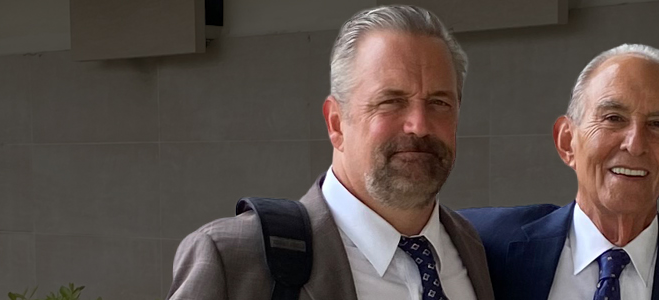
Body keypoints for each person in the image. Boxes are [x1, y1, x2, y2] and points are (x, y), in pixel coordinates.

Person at [168, 5, 494, 300]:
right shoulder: (234, 261)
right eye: (391, 101)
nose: (419, 125)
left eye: (439, 103)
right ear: (336, 123)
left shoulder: (475, 248)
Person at [458, 44, 659, 300]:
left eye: (658, 125)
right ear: (567, 141)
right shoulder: (479, 245)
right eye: (613, 118)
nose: (636, 144)